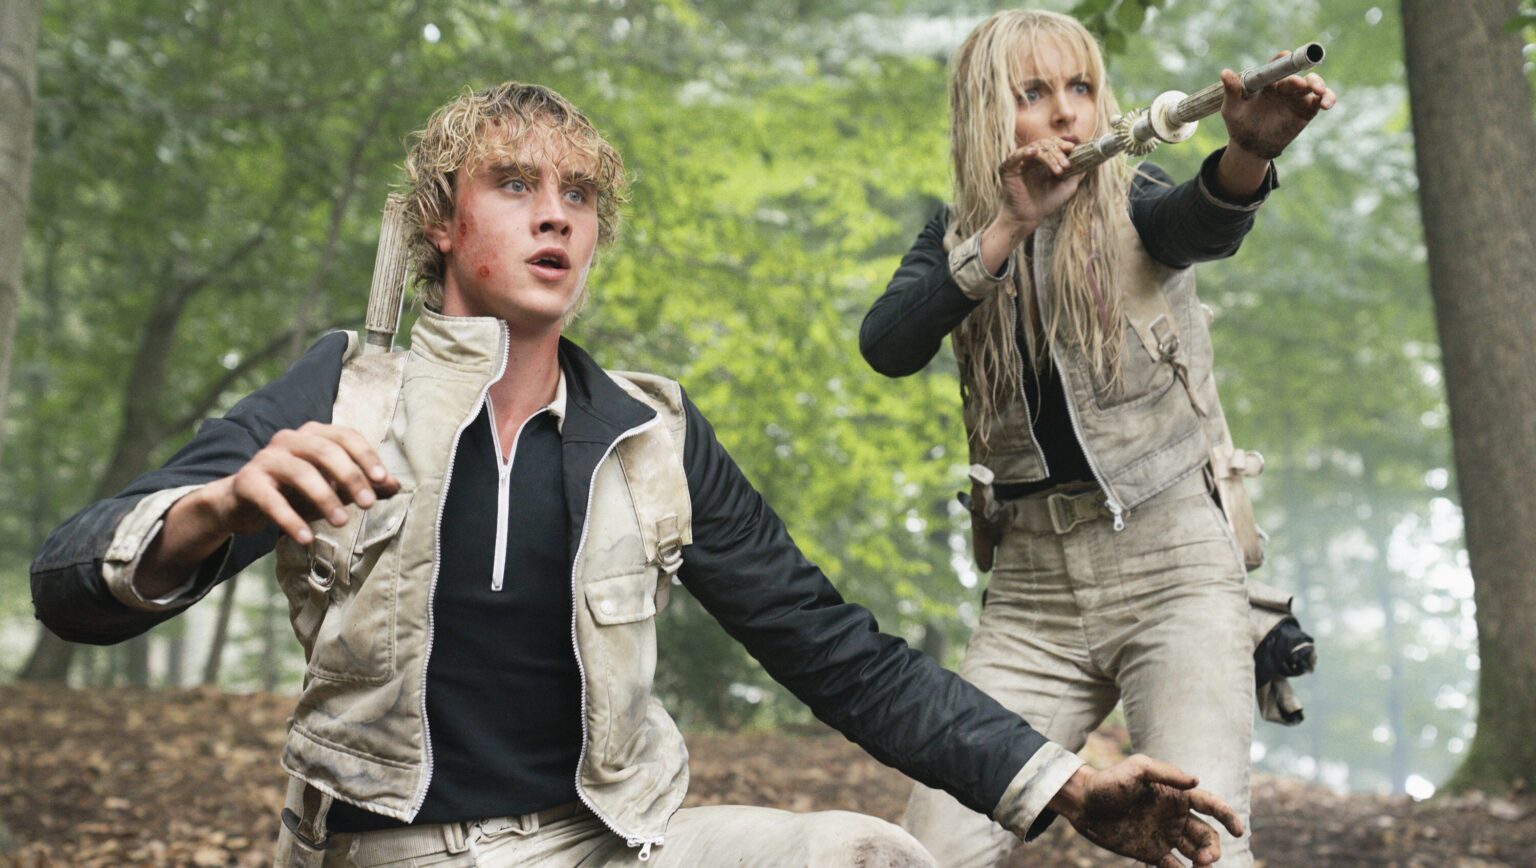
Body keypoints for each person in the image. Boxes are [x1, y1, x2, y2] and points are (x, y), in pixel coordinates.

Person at [31, 81, 1243, 868]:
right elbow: (69, 581)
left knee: (874, 856)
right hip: (393, 849)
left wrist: (1064, 785)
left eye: (579, 196)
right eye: (515, 186)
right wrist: (211, 510)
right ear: (441, 221)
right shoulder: (344, 391)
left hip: (613, 840)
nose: (556, 217)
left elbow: (837, 651)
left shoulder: (648, 431)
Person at [859, 11, 1335, 868]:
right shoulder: (956, 235)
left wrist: (1247, 154)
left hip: (1174, 566)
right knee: (931, 849)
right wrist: (1008, 227)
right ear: (984, 113)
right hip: (1031, 595)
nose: (1066, 112)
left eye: (1080, 87)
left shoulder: (1134, 191)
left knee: (1201, 845)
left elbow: (1200, 223)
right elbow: (888, 344)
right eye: (1033, 93)